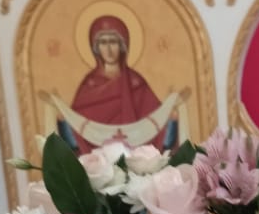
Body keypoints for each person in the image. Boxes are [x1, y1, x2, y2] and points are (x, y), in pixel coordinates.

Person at [42, 15, 184, 153]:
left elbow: (158, 130)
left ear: (123, 45)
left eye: (113, 42)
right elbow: (75, 137)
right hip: (97, 164)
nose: (109, 49)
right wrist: (64, 120)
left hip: (139, 162)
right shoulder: (89, 85)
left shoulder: (136, 83)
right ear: (95, 47)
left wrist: (170, 116)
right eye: (103, 43)